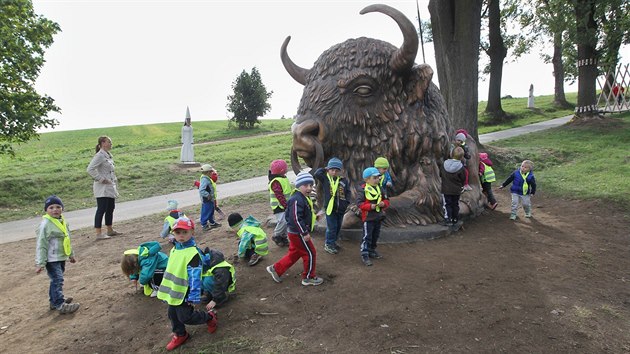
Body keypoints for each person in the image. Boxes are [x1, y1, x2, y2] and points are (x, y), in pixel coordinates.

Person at [157, 217, 218, 351]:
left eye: (185, 232)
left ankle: (209, 317)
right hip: (173, 290)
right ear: (173, 234)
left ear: (192, 232)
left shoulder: (193, 253)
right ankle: (180, 334)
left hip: (185, 291)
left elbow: (195, 277)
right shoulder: (174, 249)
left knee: (186, 317)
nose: (181, 236)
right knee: (172, 314)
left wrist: (193, 296)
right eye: (178, 233)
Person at [266, 171, 323, 286]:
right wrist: (304, 232)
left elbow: (302, 215)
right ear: (298, 186)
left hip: (296, 233)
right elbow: (295, 218)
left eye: (311, 185)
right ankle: (308, 277)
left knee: (295, 253)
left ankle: (276, 269)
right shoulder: (296, 199)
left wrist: (315, 217)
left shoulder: (303, 197)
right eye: (305, 185)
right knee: (310, 252)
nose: (309, 188)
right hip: (298, 233)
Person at [35, 195, 80, 314]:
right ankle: (60, 304)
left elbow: (67, 239)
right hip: (51, 259)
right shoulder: (45, 225)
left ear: (62, 208)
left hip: (61, 257)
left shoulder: (62, 221)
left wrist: (71, 255)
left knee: (56, 280)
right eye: (51, 207)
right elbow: (41, 244)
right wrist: (41, 263)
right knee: (57, 280)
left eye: (58, 206)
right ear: (46, 210)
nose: (55, 209)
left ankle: (53, 301)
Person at [314, 157, 351, 255]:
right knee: (332, 227)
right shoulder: (326, 179)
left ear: (341, 171)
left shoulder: (343, 181)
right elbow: (317, 173)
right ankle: (328, 244)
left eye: (336, 170)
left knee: (338, 227)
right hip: (330, 209)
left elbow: (348, 192)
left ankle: (333, 242)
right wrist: (325, 168)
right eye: (332, 170)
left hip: (341, 209)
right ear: (328, 170)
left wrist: (347, 202)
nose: (334, 172)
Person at [87, 136, 121, 240]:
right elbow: (90, 169)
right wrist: (101, 179)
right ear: (102, 143)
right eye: (109, 142)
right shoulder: (99, 156)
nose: (111, 144)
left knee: (110, 208)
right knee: (101, 209)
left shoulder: (108, 155)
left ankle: (110, 230)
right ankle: (98, 233)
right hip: (102, 188)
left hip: (110, 186)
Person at [357, 167, 390, 266]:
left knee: (375, 235)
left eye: (378, 178)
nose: (377, 180)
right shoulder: (363, 190)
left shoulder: (380, 188)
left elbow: (387, 200)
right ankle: (364, 253)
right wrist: (370, 206)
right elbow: (359, 203)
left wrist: (383, 204)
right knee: (367, 236)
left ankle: (372, 250)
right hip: (368, 218)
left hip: (378, 217)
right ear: (367, 179)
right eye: (374, 178)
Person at [440, 148, 467, 226]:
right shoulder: (461, 167)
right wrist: (461, 185)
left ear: (451, 154)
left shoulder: (444, 164)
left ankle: (448, 219)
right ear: (462, 157)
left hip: (446, 190)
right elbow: (463, 179)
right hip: (456, 190)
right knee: (455, 204)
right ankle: (455, 218)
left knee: (447, 204)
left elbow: (440, 174)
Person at [268, 159, 291, 247]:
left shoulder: (283, 178)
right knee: (283, 221)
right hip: (279, 206)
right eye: (286, 167)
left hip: (285, 205)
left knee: (286, 221)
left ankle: (283, 237)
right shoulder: (276, 181)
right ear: (282, 171)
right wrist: (285, 205)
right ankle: (276, 235)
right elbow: (279, 195)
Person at [199, 164, 221, 231]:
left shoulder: (207, 178)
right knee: (206, 211)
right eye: (211, 172)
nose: (212, 173)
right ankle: (204, 225)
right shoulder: (204, 179)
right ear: (208, 172)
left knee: (211, 210)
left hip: (210, 199)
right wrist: (207, 195)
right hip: (207, 199)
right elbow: (201, 190)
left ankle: (212, 223)